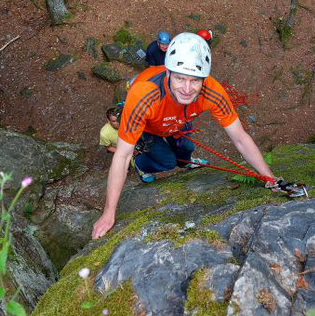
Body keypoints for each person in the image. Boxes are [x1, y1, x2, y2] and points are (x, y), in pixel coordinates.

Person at [92, 32, 276, 239]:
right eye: (180, 78)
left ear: (204, 80)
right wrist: (109, 213)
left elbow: (240, 138)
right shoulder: (144, 94)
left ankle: (184, 160)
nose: (187, 89)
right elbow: (123, 154)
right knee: (168, 161)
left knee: (187, 149)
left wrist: (269, 177)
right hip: (148, 128)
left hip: (177, 121)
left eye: (195, 80)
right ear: (168, 73)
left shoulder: (212, 91)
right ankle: (142, 163)